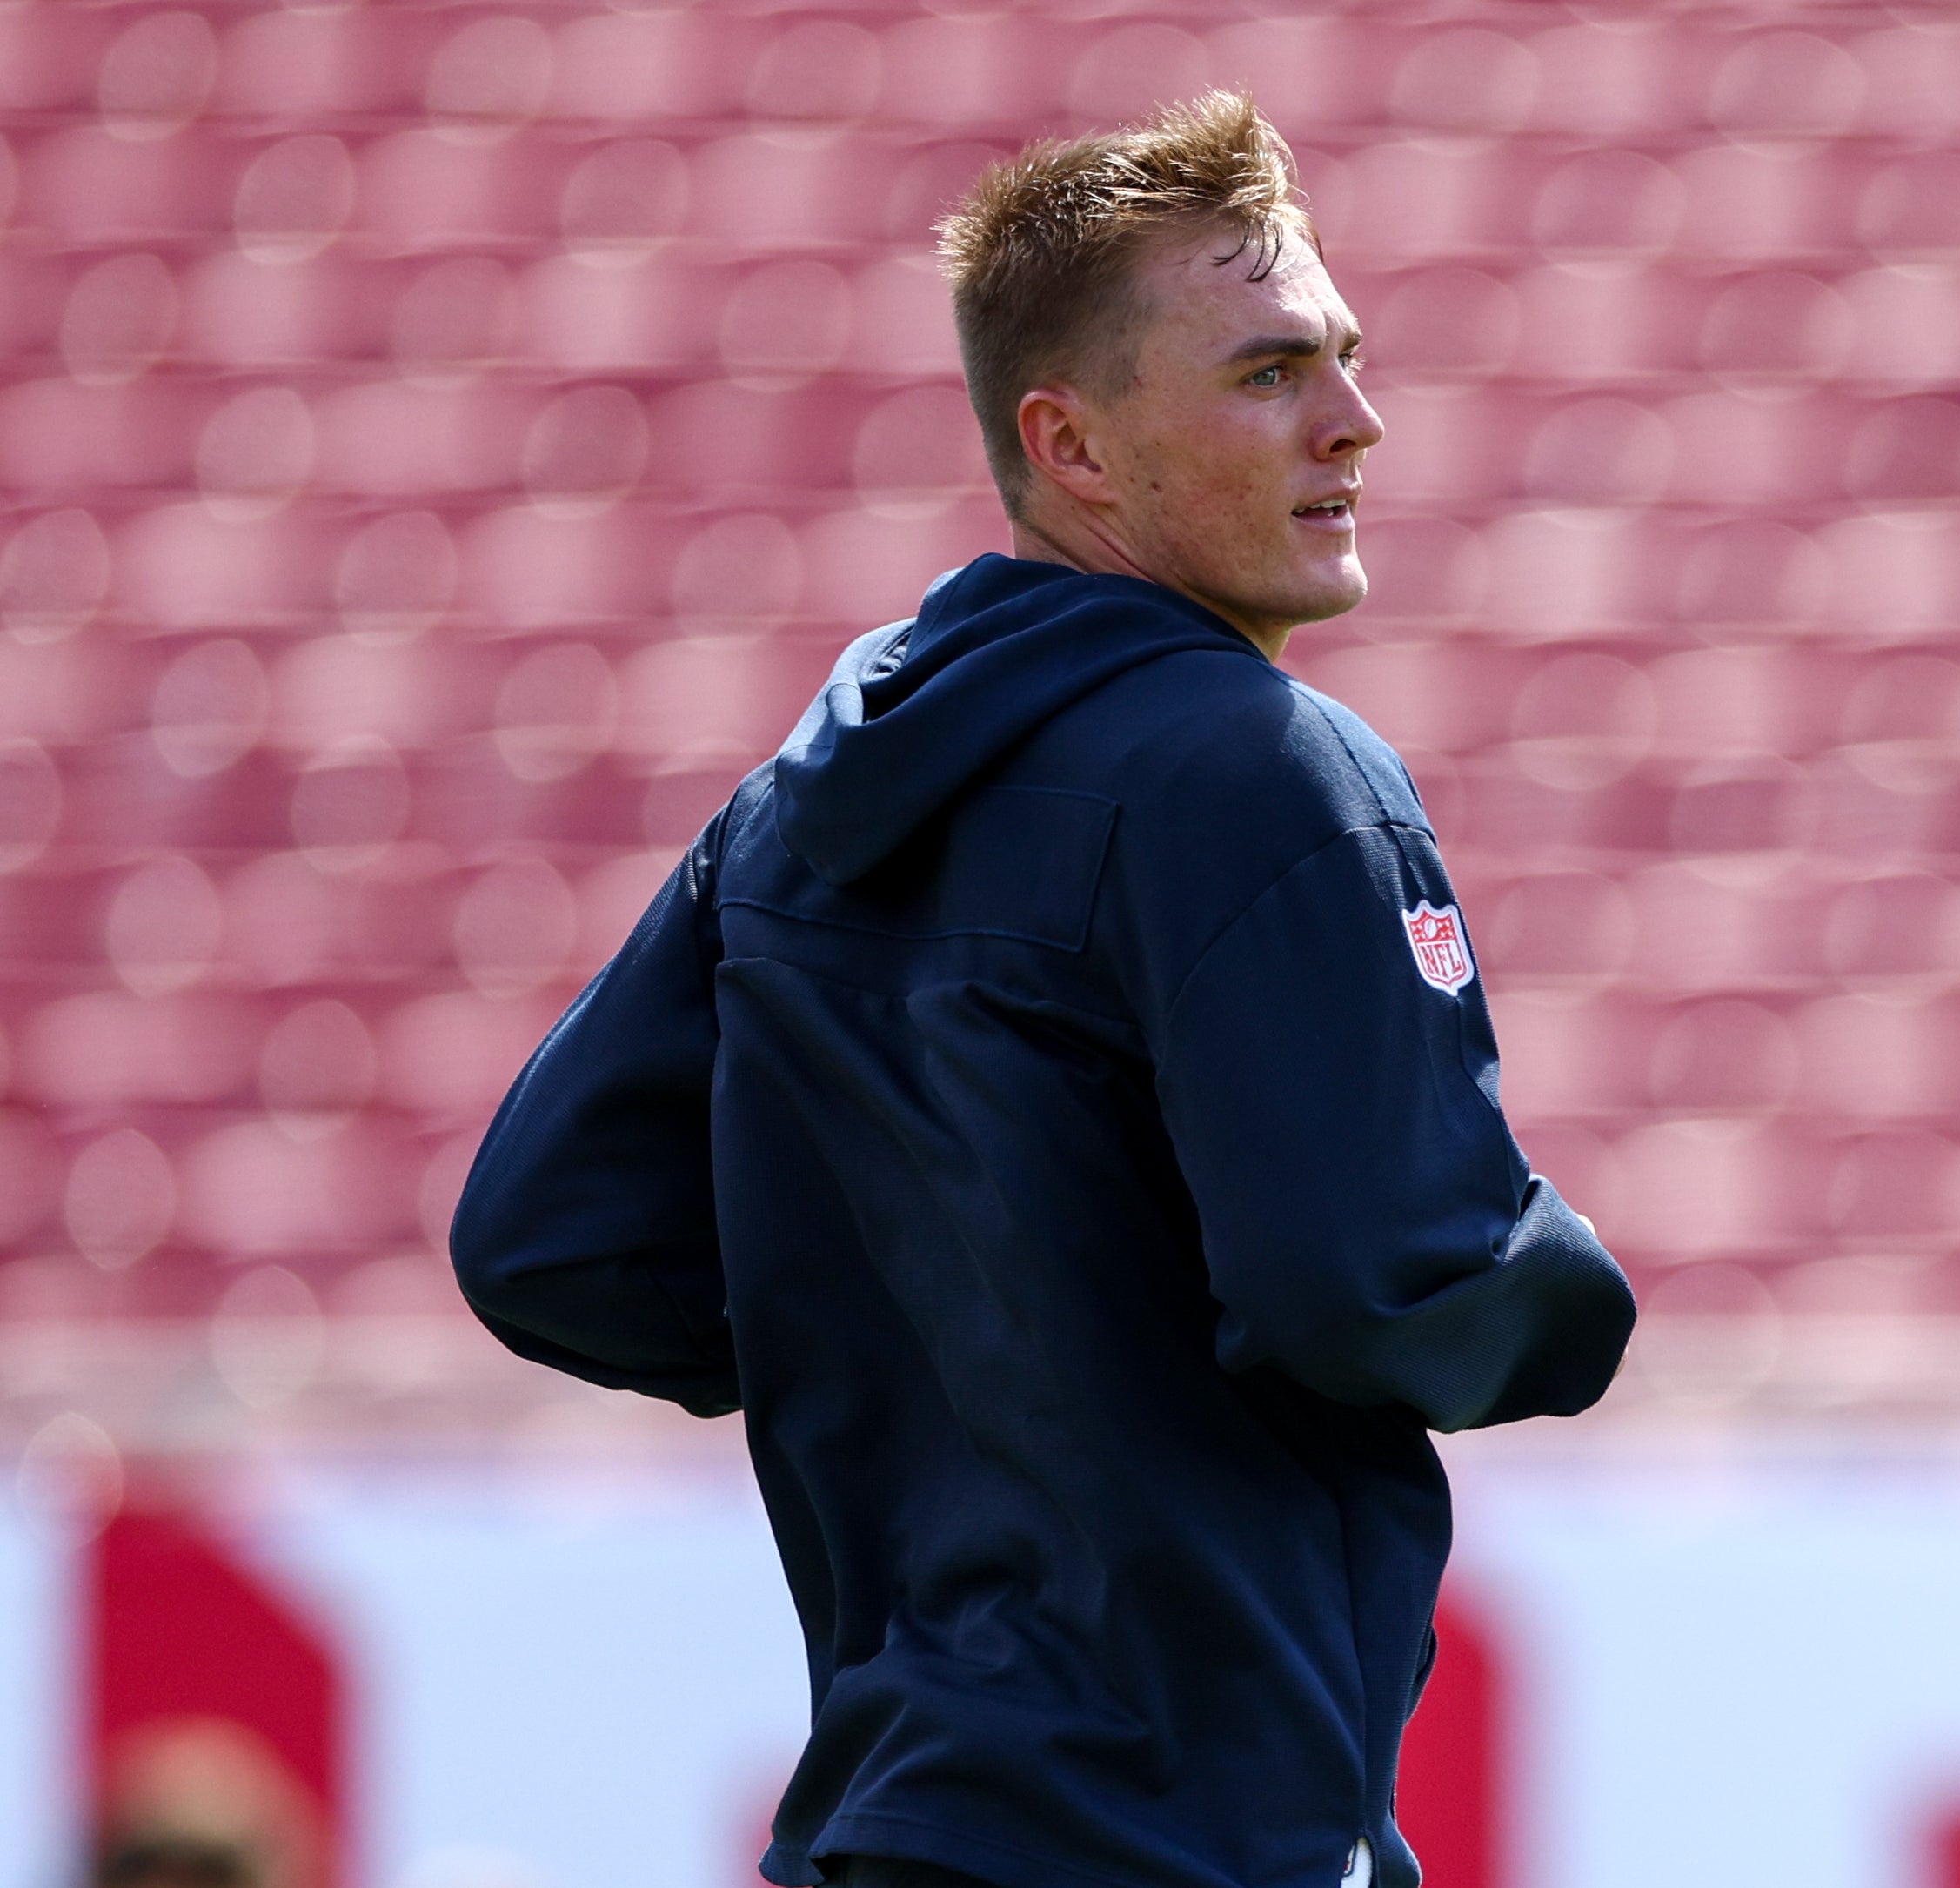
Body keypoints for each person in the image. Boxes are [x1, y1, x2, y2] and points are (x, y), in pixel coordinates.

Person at [449, 91, 1636, 1888]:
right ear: (1068, 444)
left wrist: (910, 1328)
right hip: (1184, 1832)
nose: (1353, 420)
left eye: (1344, 356)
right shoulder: (1259, 765)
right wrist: (1570, 1304)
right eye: (1264, 374)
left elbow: (546, 1242)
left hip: (885, 1823)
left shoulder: (797, 806)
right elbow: (1379, 1281)